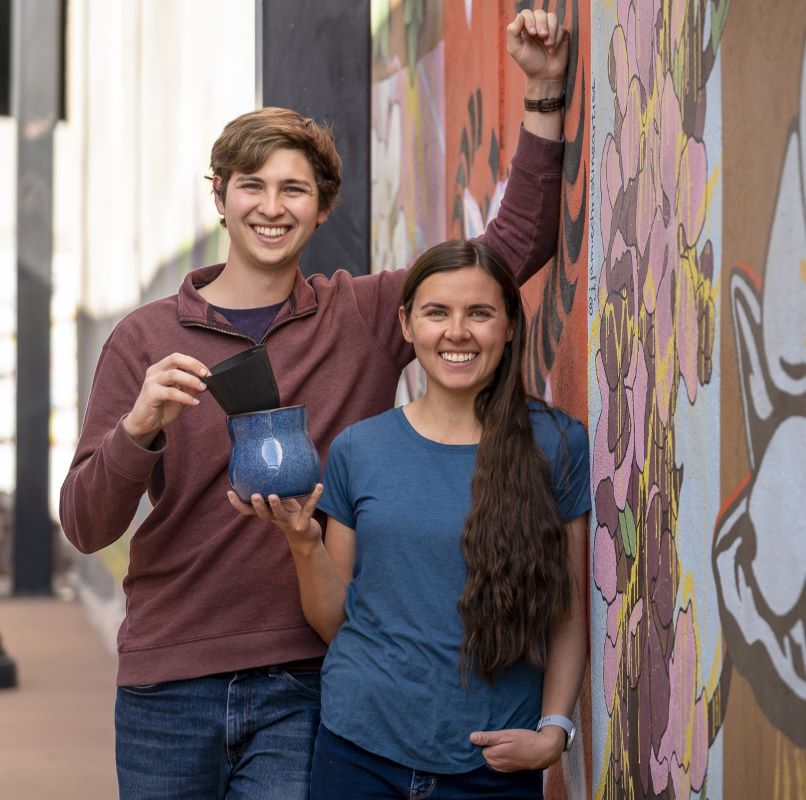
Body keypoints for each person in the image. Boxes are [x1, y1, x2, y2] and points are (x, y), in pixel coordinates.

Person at [59, 7, 569, 799]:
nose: (272, 205)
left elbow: (504, 254)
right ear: (221, 199)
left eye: (294, 188)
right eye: (252, 186)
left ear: (323, 208)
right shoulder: (144, 339)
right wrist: (138, 431)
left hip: (305, 678)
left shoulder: (361, 314)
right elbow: (86, 527)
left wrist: (541, 94)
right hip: (169, 680)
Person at [238, 239, 589, 799]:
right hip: (359, 754)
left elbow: (567, 611)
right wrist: (304, 542)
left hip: (491, 768)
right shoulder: (360, 449)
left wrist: (555, 730)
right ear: (406, 325)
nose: (457, 332)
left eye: (479, 313)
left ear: (509, 326)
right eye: (436, 313)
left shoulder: (557, 444)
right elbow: (337, 623)